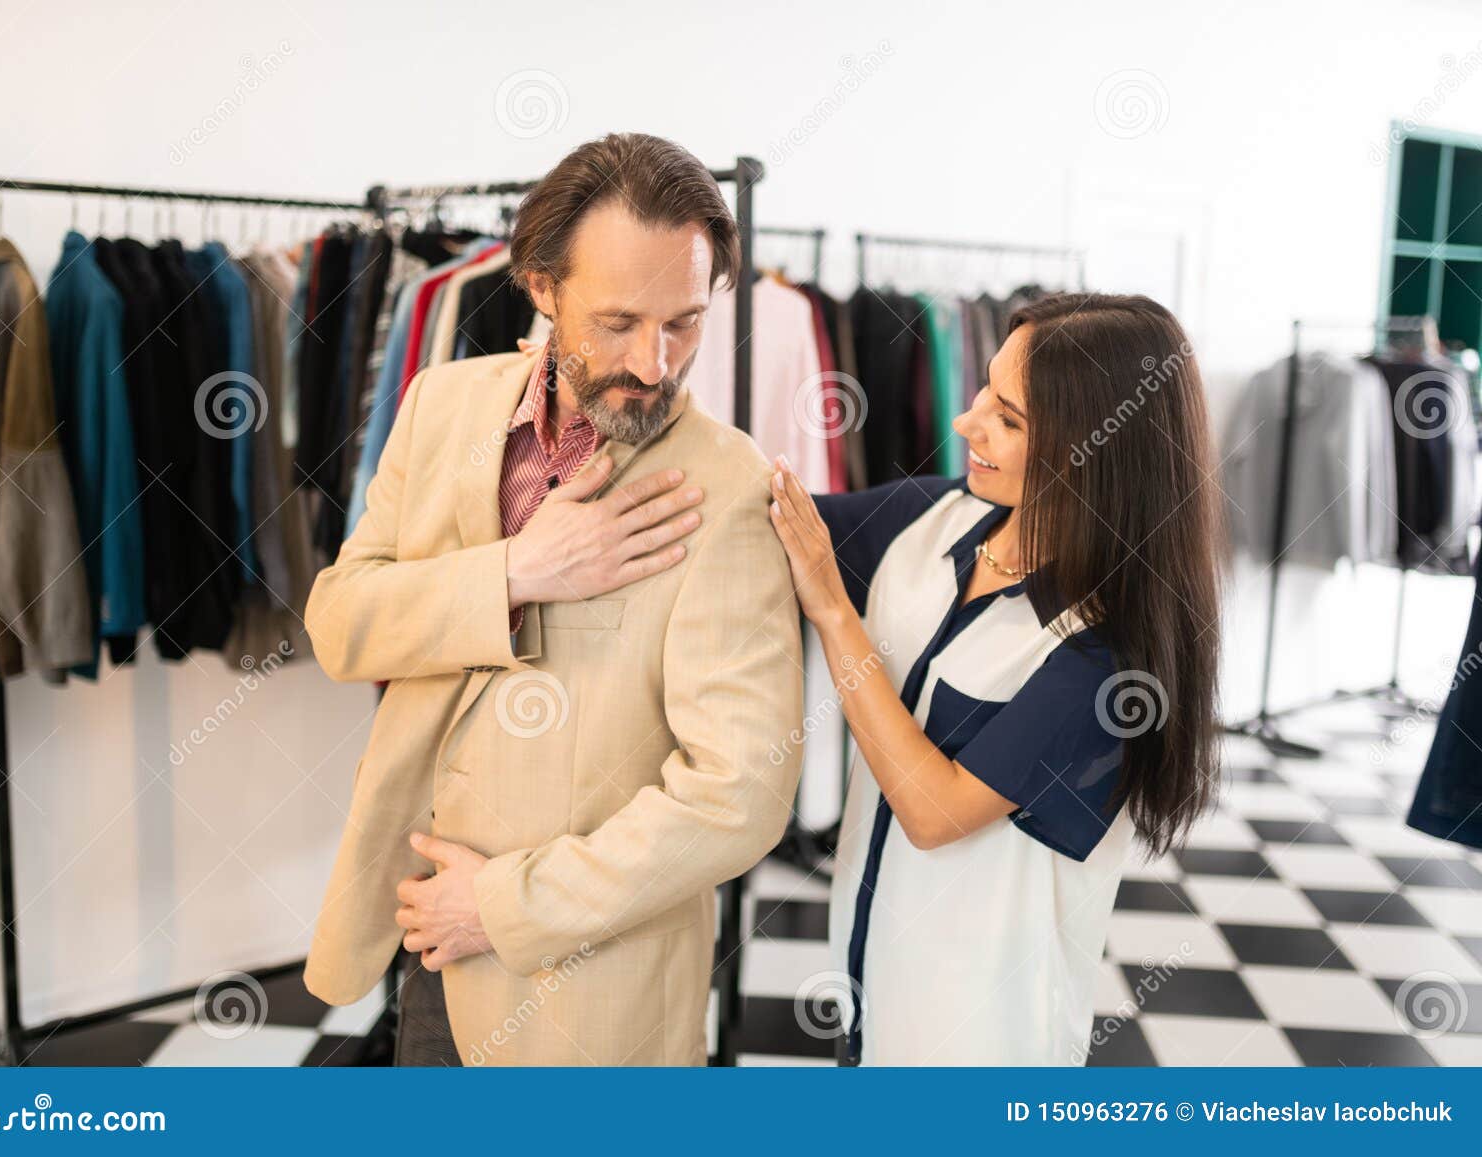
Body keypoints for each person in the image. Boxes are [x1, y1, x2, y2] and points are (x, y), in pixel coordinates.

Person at [301, 132, 804, 1066]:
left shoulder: (729, 485)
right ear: (541, 285)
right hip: (425, 948)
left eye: (684, 322)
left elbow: (742, 789)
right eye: (618, 322)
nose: (655, 364)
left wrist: (500, 906)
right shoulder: (437, 404)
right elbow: (340, 623)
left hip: (590, 998)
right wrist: (515, 573)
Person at [768, 293, 1222, 1065]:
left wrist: (834, 611)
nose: (965, 422)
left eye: (1009, 419)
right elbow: (765, 516)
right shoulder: (930, 517)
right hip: (867, 977)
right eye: (984, 390)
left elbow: (933, 810)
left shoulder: (1105, 658)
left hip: (981, 1033)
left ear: (1095, 451)